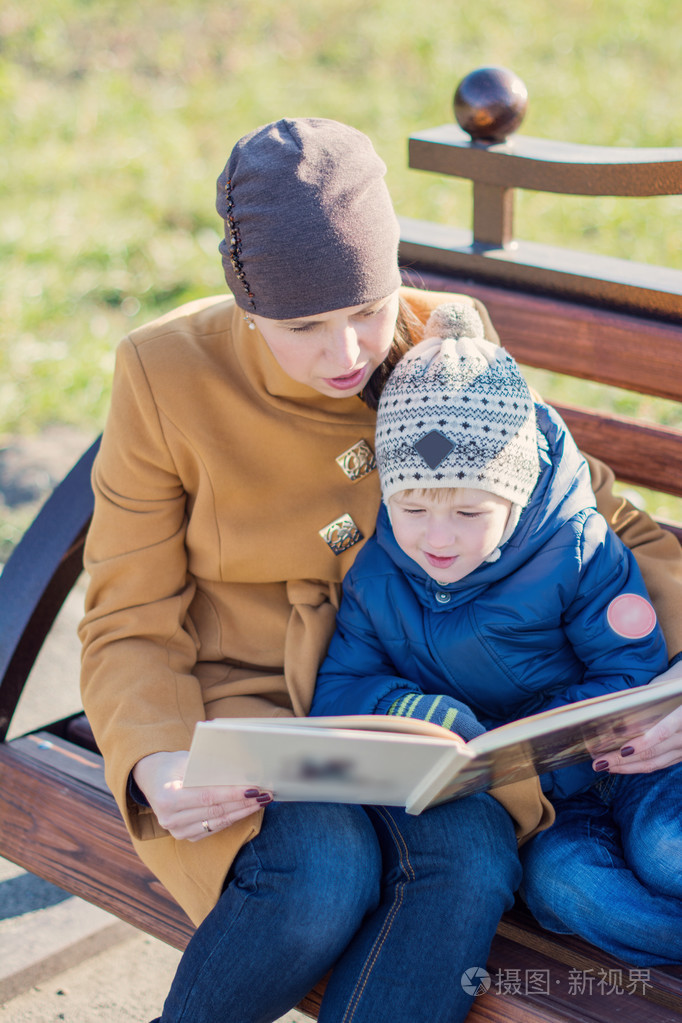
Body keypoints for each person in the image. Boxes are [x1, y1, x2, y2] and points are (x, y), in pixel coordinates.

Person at [78, 117, 682, 1023]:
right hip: (243, 709)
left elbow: (595, 517)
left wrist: (673, 684)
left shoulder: (441, 350)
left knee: (472, 861)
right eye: (305, 327)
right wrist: (159, 759)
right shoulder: (166, 374)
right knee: (322, 871)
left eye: (366, 309)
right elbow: (127, 610)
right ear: (246, 304)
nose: (349, 354)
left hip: (422, 720)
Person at [310, 302, 682, 966]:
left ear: (518, 494)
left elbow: (632, 666)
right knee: (570, 888)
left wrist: (540, 736)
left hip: (630, 763)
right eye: (413, 507)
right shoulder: (376, 575)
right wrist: (411, 709)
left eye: (470, 511)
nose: (437, 537)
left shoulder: (577, 547)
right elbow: (339, 687)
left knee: (667, 849)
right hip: (538, 811)